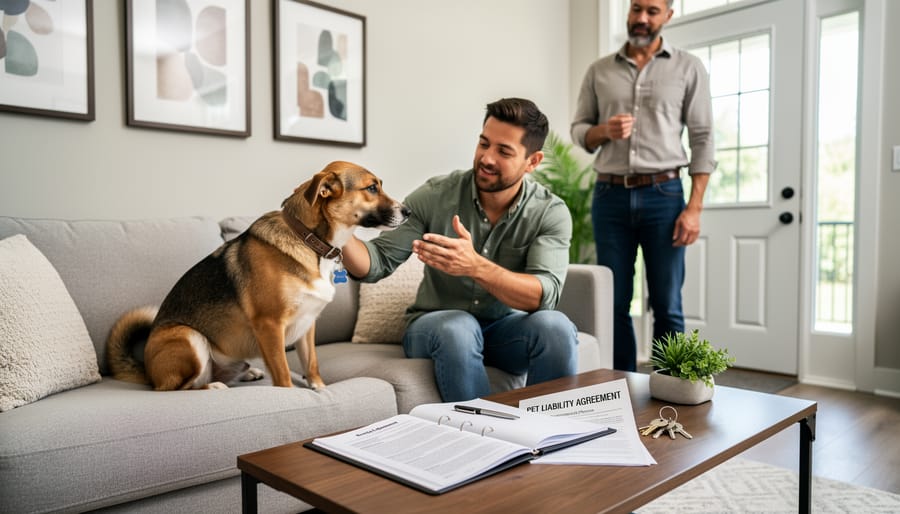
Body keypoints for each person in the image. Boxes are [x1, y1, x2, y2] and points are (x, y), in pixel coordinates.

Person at [342, 98, 578, 402]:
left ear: (532, 161)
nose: (486, 158)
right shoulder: (436, 195)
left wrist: (475, 266)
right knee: (459, 327)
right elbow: (377, 262)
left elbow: (543, 296)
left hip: (505, 332)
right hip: (436, 328)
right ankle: (483, 429)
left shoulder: (549, 212)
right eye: (484, 143)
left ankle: (550, 428)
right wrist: (337, 229)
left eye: (504, 151)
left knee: (556, 327)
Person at [570, 0, 715, 372]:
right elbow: (579, 131)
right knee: (614, 302)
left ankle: (672, 387)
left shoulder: (688, 67)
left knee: (667, 303)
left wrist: (694, 208)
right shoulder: (599, 70)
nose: (642, 18)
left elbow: (702, 139)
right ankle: (622, 386)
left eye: (652, 10)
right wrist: (604, 131)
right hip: (609, 197)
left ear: (668, 15)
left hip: (664, 196)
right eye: (636, 8)